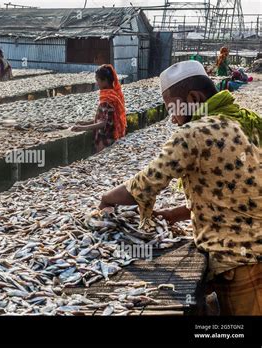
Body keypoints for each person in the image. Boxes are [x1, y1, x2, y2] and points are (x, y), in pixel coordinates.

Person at [98, 60, 261, 315]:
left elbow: (145, 183)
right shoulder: (241, 120)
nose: (173, 119)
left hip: (242, 261)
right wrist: (175, 214)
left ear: (193, 97)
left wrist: (106, 199)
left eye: (171, 108)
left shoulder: (194, 133)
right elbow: (232, 192)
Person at [70, 64, 127, 152]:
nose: (97, 83)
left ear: (105, 81)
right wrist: (85, 123)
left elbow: (104, 123)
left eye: (98, 80)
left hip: (106, 139)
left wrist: (84, 128)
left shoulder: (107, 98)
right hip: (115, 135)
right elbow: (107, 118)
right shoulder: (115, 94)